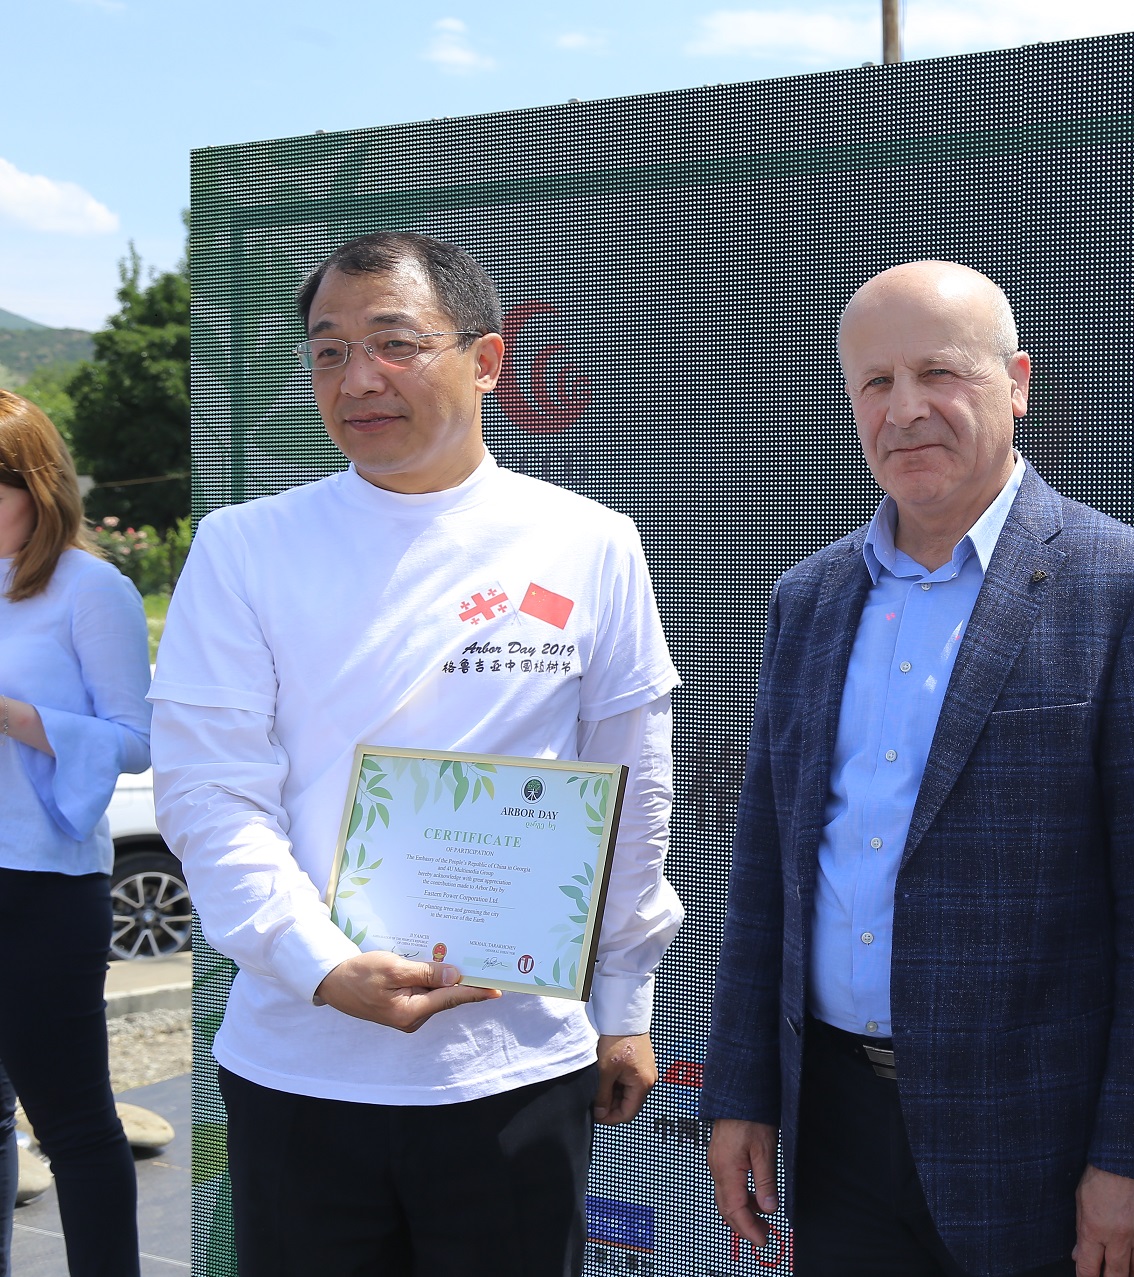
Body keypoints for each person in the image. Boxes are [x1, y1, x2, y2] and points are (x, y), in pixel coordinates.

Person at [150, 231, 683, 1275]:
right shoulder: (245, 546)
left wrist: (623, 1003)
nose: (358, 379)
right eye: (329, 351)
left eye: (394, 342)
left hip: (515, 1066)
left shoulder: (589, 541)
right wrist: (318, 963)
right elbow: (211, 792)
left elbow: (632, 789)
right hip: (299, 1068)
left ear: (487, 360)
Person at [702, 260, 1134, 1277]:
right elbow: (766, 873)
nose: (904, 410)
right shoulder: (808, 600)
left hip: (1038, 1143)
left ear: (1017, 382)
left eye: (938, 373)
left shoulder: (1128, 587)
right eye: (875, 382)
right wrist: (740, 1091)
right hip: (835, 1131)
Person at [0, 387, 148, 1277]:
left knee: (76, 1126)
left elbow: (136, 738)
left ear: (37, 485)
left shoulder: (92, 588)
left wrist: (15, 716)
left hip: (41, 886)